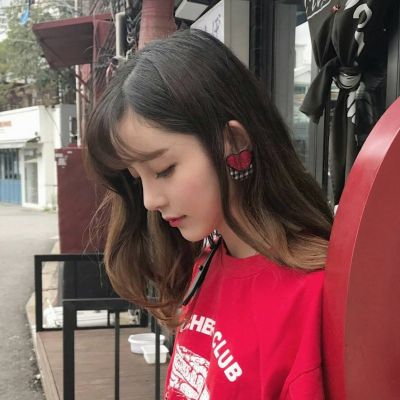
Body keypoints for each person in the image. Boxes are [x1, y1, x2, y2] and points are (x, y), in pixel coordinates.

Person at [84, 29, 333, 400]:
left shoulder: (311, 297)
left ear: (233, 143)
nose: (149, 200)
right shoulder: (208, 257)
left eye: (164, 169)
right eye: (137, 179)